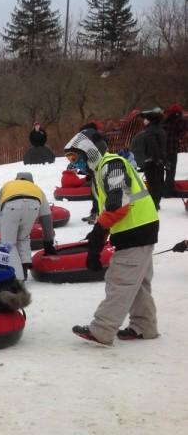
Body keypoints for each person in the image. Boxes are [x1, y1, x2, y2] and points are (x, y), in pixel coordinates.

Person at [65, 131, 160, 345]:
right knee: (138, 283)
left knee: (120, 280)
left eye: (75, 157)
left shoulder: (111, 165)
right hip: (139, 228)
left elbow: (119, 204)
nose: (74, 164)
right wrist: (99, 235)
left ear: (89, 152)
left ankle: (102, 329)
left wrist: (99, 230)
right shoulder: (102, 170)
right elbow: (112, 208)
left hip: (135, 231)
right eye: (70, 159)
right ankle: (144, 326)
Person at [0, 171, 54, 280]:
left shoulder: (8, 185)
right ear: (31, 181)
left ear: (17, 179)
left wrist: (1, 230)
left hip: (11, 205)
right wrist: (48, 242)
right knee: (23, 238)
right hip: (33, 206)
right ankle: (24, 266)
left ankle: (18, 278)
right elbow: (46, 218)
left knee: (8, 243)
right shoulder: (37, 189)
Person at [137, 108, 167, 209]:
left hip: (152, 161)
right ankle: (156, 202)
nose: (144, 121)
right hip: (159, 161)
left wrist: (155, 159)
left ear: (149, 120)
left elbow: (153, 146)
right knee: (158, 182)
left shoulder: (150, 131)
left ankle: (154, 203)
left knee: (152, 182)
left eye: (145, 119)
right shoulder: (160, 129)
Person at [162, 104, 185, 198]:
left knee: (165, 169)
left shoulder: (165, 121)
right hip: (172, 150)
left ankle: (162, 189)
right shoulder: (180, 121)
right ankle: (168, 192)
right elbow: (184, 130)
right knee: (171, 171)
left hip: (163, 150)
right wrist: (179, 138)